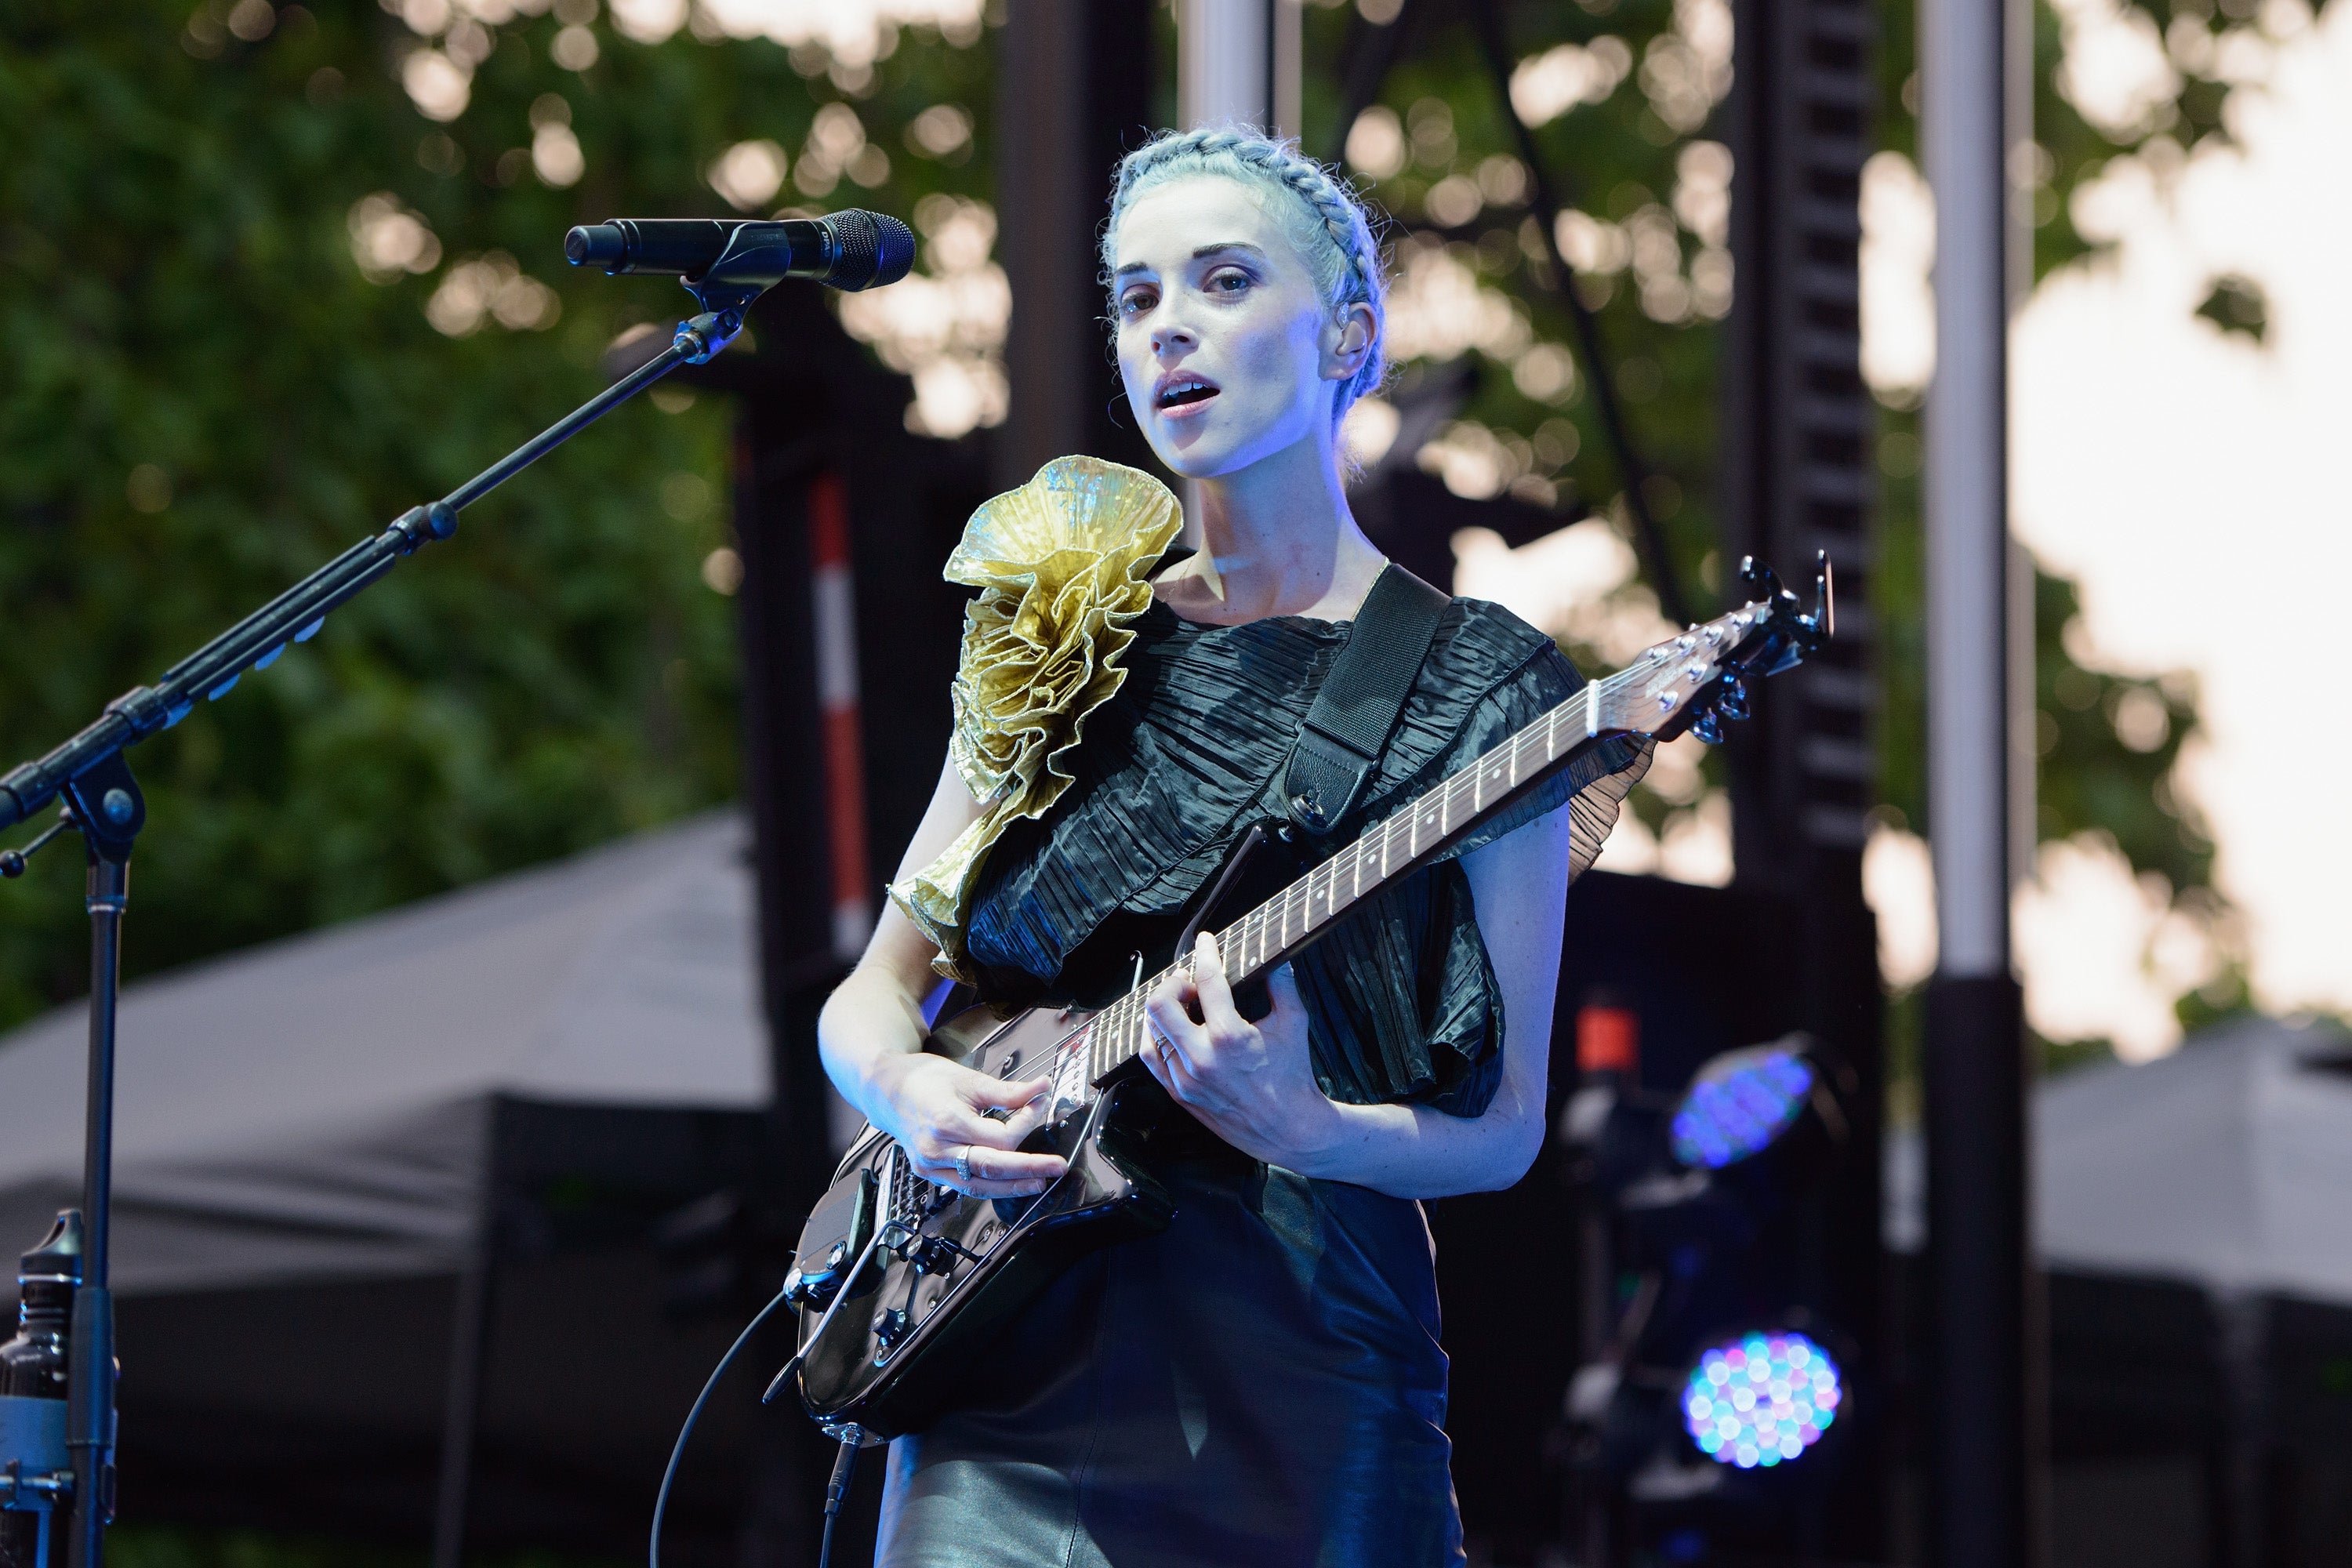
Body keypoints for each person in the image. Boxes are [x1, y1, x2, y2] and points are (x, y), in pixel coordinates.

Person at [817, 127, 1649, 1567]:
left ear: (1350, 331)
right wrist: (904, 1087)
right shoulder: (1052, 624)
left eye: (1220, 281)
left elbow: (1507, 1131)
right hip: (1001, 1373)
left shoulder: (1485, 688)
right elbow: (873, 992)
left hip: (1304, 1376)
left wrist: (1309, 1126)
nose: (1168, 328)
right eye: (1136, 298)